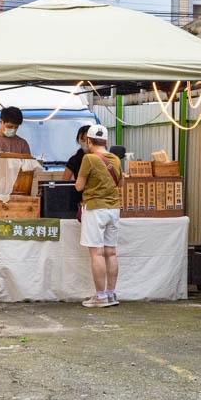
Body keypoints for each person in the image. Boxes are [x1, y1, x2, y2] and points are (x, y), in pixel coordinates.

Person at [75, 124, 122, 308]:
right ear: (106, 141)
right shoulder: (116, 159)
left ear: (89, 141)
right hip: (114, 209)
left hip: (95, 209)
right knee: (111, 252)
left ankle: (100, 296)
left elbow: (79, 186)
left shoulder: (89, 159)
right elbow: (120, 184)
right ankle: (111, 294)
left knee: (97, 253)